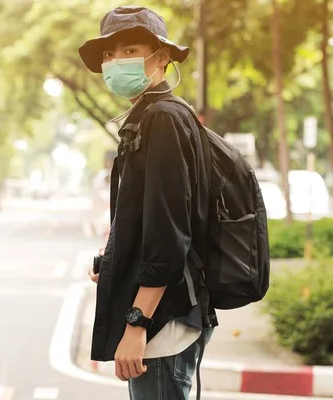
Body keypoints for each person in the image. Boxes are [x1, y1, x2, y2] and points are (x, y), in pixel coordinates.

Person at [80, 6, 217, 400]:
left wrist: (136, 324)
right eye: (109, 54)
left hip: (163, 319)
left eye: (130, 50)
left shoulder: (162, 119)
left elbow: (169, 233)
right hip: (167, 313)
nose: (115, 61)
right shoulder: (151, 116)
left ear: (162, 57)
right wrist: (112, 260)